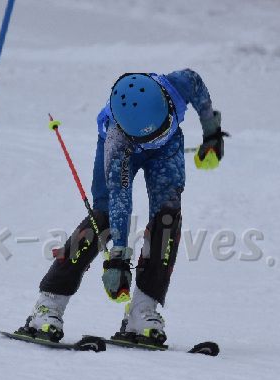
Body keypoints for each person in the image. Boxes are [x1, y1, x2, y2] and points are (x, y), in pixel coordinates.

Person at [16, 69, 227, 346]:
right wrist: (118, 260)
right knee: (102, 219)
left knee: (167, 218)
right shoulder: (116, 141)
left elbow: (199, 91)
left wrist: (212, 133)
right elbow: (120, 201)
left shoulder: (180, 84)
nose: (154, 139)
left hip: (169, 149)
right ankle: (48, 304)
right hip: (125, 151)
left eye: (161, 129)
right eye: (148, 138)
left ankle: (143, 310)